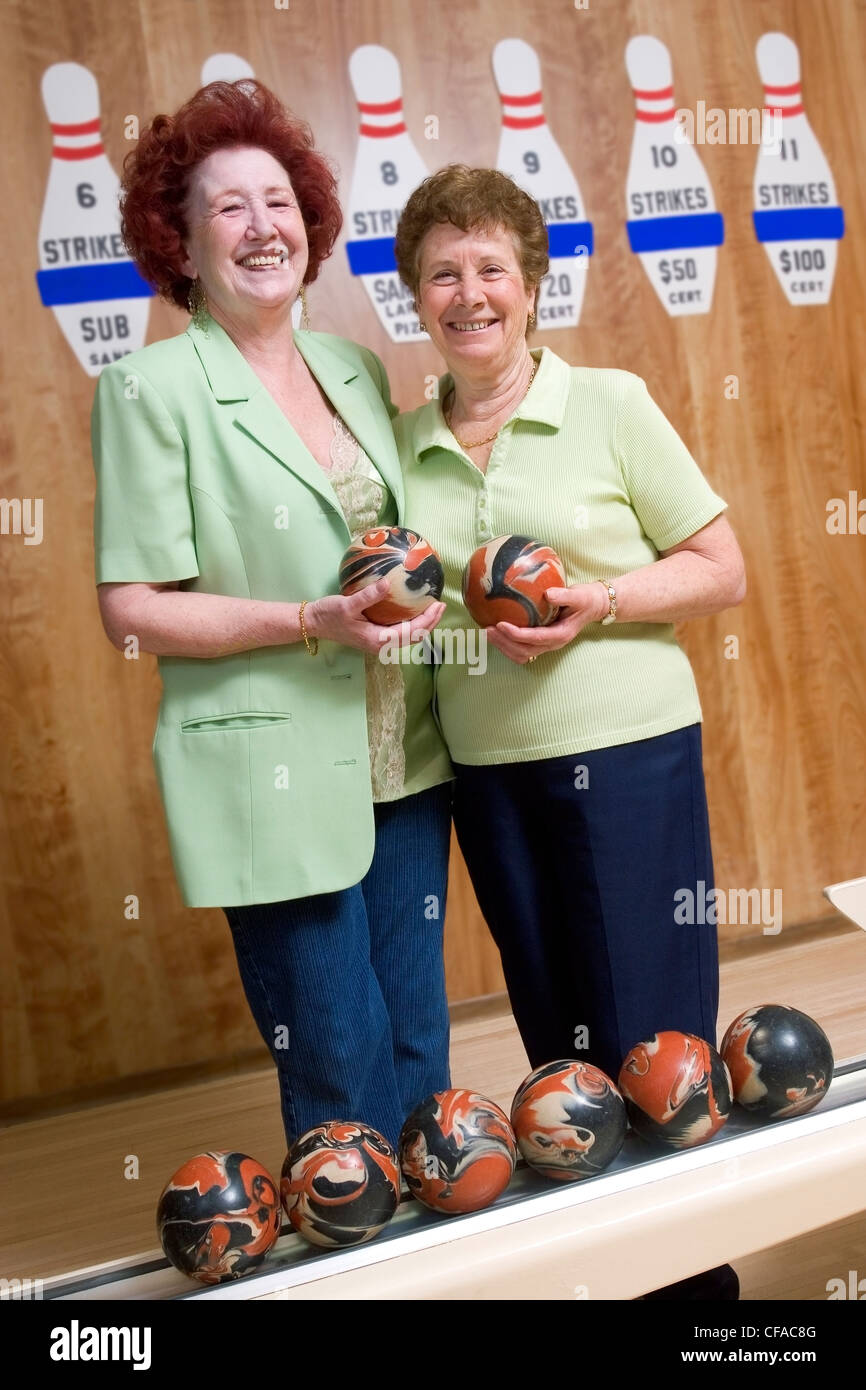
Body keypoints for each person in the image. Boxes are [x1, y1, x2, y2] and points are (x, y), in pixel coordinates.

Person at [393, 165, 746, 1299]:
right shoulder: (403, 443)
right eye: (441, 272)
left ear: (530, 285)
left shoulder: (611, 402)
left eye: (490, 267)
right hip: (488, 775)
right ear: (414, 297)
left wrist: (599, 602)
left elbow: (717, 569)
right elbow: (415, 617)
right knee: (560, 1043)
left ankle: (697, 1292)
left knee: (651, 1037)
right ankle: (614, 1277)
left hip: (629, 759)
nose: (468, 292)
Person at [90, 80, 453, 1153]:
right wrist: (309, 618)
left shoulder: (353, 366)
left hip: (403, 754)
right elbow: (134, 608)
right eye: (229, 206)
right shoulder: (149, 389)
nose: (263, 226)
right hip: (273, 768)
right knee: (340, 1064)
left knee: (420, 1059)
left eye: (279, 200)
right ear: (182, 244)